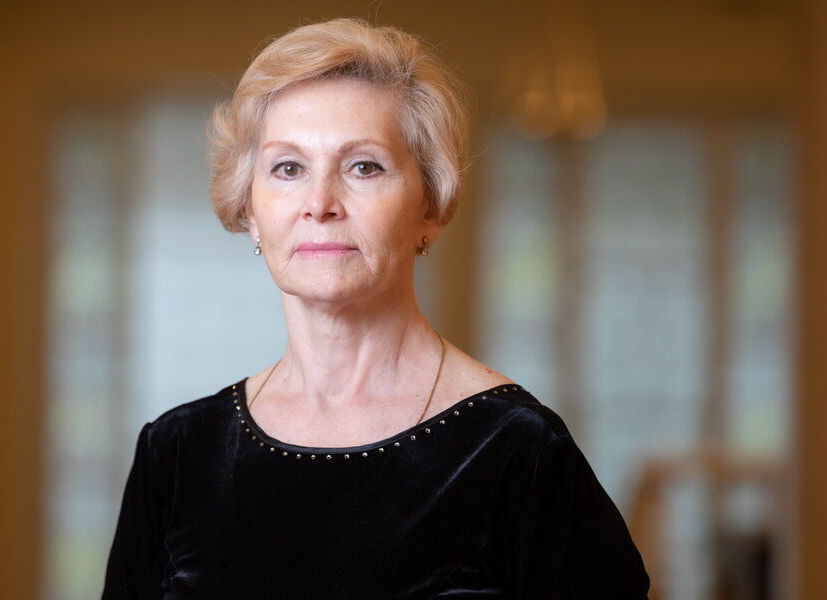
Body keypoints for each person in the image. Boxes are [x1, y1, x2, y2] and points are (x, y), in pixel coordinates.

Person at [101, 18, 650, 599]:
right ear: (250, 211)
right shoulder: (177, 452)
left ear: (430, 207)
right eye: (288, 168)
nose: (319, 203)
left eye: (364, 166)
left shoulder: (519, 450)